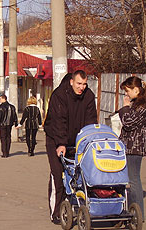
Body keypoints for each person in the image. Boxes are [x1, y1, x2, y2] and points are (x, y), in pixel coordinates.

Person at [43, 70, 97, 225]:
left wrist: (89, 141)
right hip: (55, 139)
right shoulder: (59, 95)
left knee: (79, 176)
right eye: (79, 83)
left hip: (78, 141)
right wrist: (61, 143)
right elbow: (59, 121)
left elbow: (91, 120)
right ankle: (55, 212)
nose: (82, 87)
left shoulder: (88, 96)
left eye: (84, 84)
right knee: (58, 175)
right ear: (72, 82)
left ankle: (80, 207)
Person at [118, 76, 146, 222]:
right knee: (126, 179)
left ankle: (137, 215)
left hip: (134, 146)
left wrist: (125, 108)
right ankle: (129, 211)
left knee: (133, 180)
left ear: (136, 89)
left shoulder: (145, 105)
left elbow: (128, 122)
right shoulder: (139, 103)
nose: (126, 95)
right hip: (128, 145)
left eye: (128, 91)